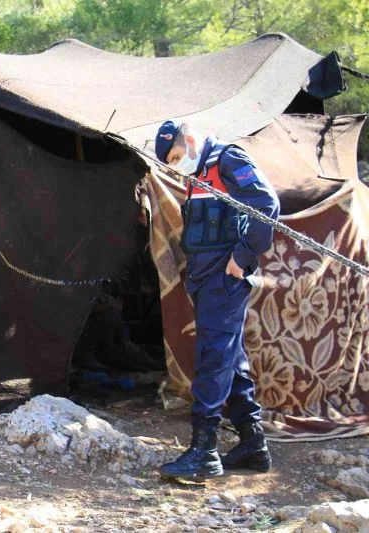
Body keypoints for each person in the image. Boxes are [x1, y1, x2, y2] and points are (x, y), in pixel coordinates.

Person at [153, 120, 280, 481]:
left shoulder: (228, 159)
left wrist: (242, 256)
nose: (176, 165)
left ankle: (204, 451)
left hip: (224, 281)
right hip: (207, 281)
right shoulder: (200, 174)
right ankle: (253, 445)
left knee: (213, 357)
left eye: (176, 156)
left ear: (190, 139)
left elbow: (266, 204)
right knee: (230, 360)